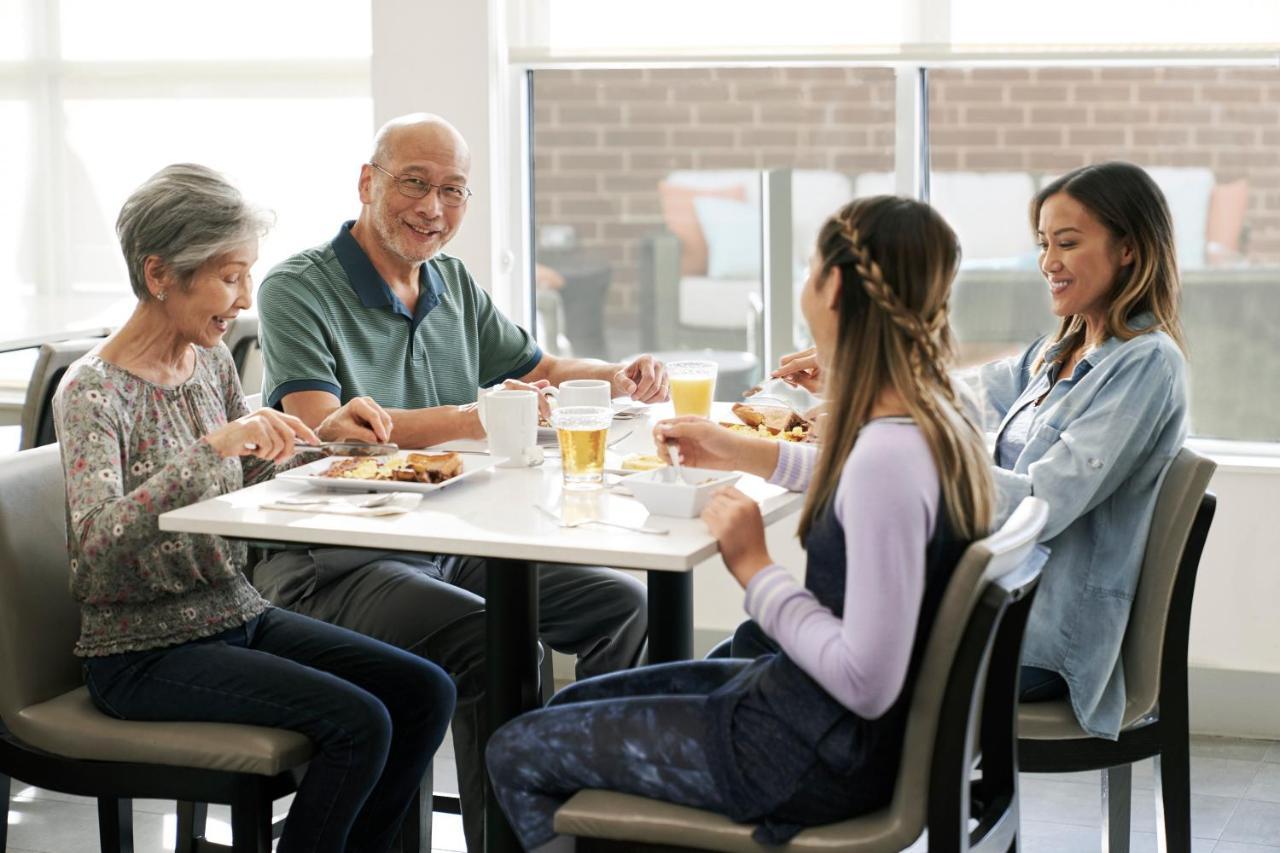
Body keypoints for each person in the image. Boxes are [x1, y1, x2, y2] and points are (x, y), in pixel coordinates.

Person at [485, 195, 996, 850]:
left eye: (811, 269)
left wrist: (755, 568)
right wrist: (734, 447)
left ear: (834, 287)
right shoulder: (940, 416)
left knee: (517, 749)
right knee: (564, 712)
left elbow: (865, 681)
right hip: (826, 726)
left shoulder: (886, 458)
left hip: (812, 752)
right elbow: (848, 478)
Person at [252, 112, 665, 850]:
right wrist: (470, 415)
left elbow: (534, 369)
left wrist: (613, 372)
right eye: (415, 183)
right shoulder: (297, 287)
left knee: (623, 605)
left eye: (453, 189)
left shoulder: (449, 280)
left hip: (443, 538)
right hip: (332, 562)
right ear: (367, 182)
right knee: (490, 641)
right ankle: (506, 841)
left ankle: (589, 822)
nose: (433, 208)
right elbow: (321, 426)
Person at [52, 164, 456, 853]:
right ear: (160, 274)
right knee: (362, 723)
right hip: (140, 651)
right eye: (229, 276)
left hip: (235, 613)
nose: (243, 299)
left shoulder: (207, 363)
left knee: (424, 690)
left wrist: (331, 442)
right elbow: (97, 543)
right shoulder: (92, 389)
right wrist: (212, 450)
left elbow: (257, 466)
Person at [770, 161, 1188, 740]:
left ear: (1129, 251)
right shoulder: (1056, 351)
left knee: (800, 635)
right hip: (996, 606)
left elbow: (1044, 501)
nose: (1049, 262)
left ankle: (782, 788)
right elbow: (957, 395)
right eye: (1043, 244)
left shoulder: (1146, 365)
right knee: (788, 634)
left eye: (1068, 243)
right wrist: (855, 377)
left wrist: (897, 429)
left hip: (1039, 639)